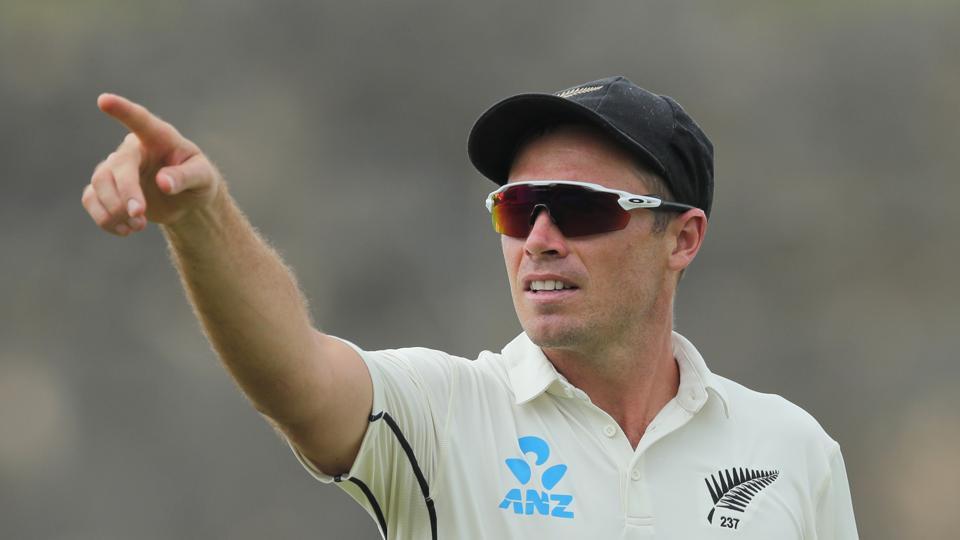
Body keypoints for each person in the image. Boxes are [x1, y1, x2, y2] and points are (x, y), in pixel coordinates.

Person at [82, 76, 858, 539]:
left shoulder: (793, 448)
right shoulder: (444, 412)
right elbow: (294, 372)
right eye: (517, 209)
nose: (540, 240)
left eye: (580, 208)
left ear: (682, 238)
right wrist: (199, 216)